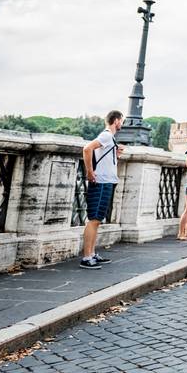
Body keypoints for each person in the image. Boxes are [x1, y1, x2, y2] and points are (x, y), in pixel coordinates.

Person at [78, 110, 124, 269]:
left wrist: (115, 154)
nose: (122, 124)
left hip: (106, 181)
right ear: (116, 120)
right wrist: (90, 172)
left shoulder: (109, 138)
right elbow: (87, 149)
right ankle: (86, 257)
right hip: (101, 181)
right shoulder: (106, 135)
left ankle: (91, 253)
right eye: (121, 121)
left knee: (97, 220)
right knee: (94, 219)